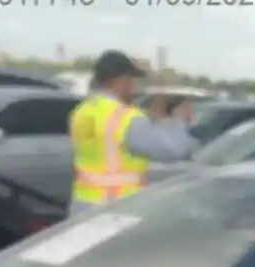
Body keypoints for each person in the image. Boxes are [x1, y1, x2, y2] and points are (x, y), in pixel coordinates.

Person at [68, 51, 199, 209]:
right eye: (132, 79)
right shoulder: (124, 117)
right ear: (121, 80)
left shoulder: (82, 111)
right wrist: (179, 120)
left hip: (83, 207)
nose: (133, 85)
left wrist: (154, 120)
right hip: (115, 208)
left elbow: (111, 147)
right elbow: (172, 149)